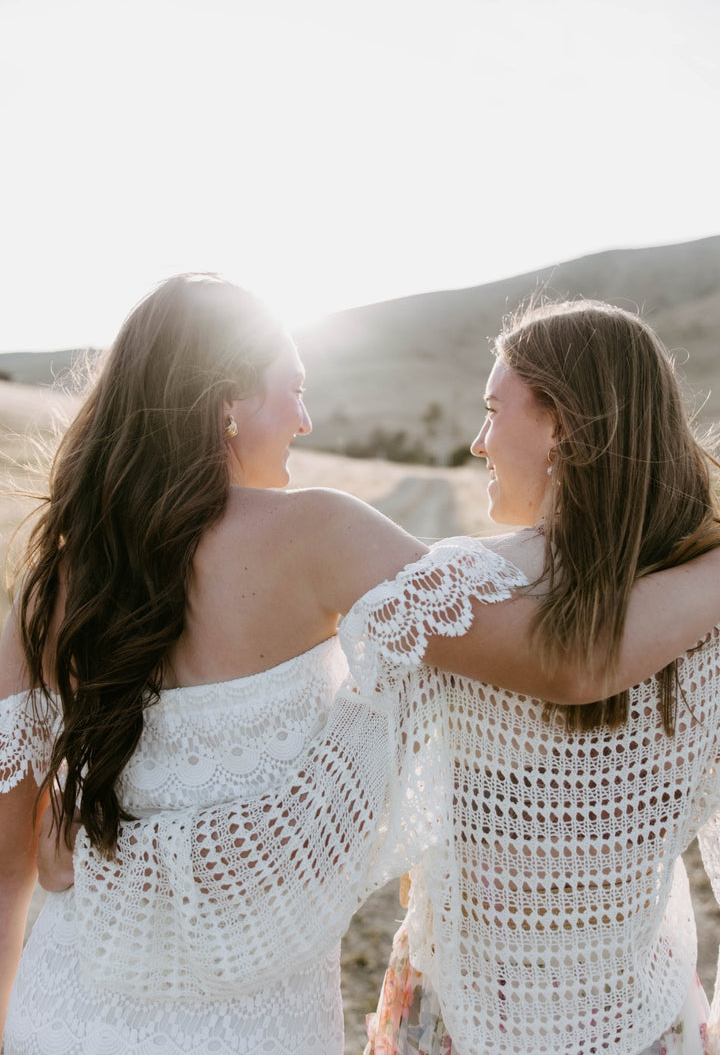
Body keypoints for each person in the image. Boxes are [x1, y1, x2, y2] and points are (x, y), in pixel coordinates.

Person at [0, 276, 718, 1055]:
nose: (306, 419)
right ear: (226, 402)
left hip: (55, 1012)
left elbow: (8, 869)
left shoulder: (49, 586)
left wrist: (94, 869)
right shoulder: (316, 533)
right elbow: (565, 660)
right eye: (294, 390)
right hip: (254, 1032)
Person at [362, 300, 720, 1055]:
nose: (478, 440)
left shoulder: (466, 588)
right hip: (641, 1018)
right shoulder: (702, 609)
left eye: (495, 411)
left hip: (465, 1013)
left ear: (562, 427)